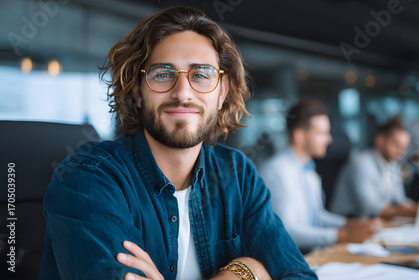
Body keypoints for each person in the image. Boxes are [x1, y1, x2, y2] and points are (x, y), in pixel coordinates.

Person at [38, 6, 316, 280]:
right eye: (162, 74)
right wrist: (248, 272)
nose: (182, 93)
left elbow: (299, 276)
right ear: (137, 91)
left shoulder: (237, 173)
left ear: (222, 93)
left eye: (200, 74)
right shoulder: (88, 179)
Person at [260, 101, 379, 253]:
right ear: (300, 135)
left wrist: (351, 224)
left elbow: (317, 216)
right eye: (322, 133)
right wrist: (341, 235)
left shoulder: (309, 168)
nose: (329, 140)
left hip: (313, 256)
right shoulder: (277, 170)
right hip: (287, 261)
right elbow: (286, 231)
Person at [328, 116, 418, 219]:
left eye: (404, 147)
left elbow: (400, 200)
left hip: (373, 222)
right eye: (396, 144)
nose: (401, 151)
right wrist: (412, 211)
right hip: (349, 222)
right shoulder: (361, 163)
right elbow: (370, 207)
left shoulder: (393, 164)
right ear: (380, 140)